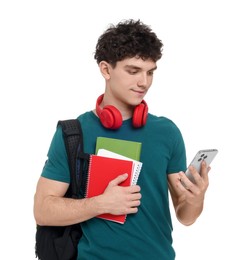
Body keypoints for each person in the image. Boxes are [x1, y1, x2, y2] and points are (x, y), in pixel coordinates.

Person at [34, 19, 211, 259]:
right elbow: (43, 210)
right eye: (133, 71)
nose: (144, 82)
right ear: (106, 69)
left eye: (150, 72)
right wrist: (100, 204)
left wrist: (195, 199)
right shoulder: (74, 132)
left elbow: (186, 216)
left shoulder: (167, 132)